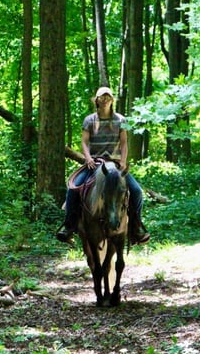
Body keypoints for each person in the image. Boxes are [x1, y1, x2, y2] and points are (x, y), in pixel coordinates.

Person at [57, 86, 150, 245]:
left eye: (108, 97)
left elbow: (124, 143)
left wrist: (123, 160)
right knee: (73, 189)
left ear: (112, 100)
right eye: (102, 96)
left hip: (115, 164)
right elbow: (84, 143)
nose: (105, 99)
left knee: (136, 191)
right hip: (95, 163)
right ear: (97, 100)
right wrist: (88, 158)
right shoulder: (89, 120)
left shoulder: (120, 120)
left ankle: (136, 227)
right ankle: (69, 226)